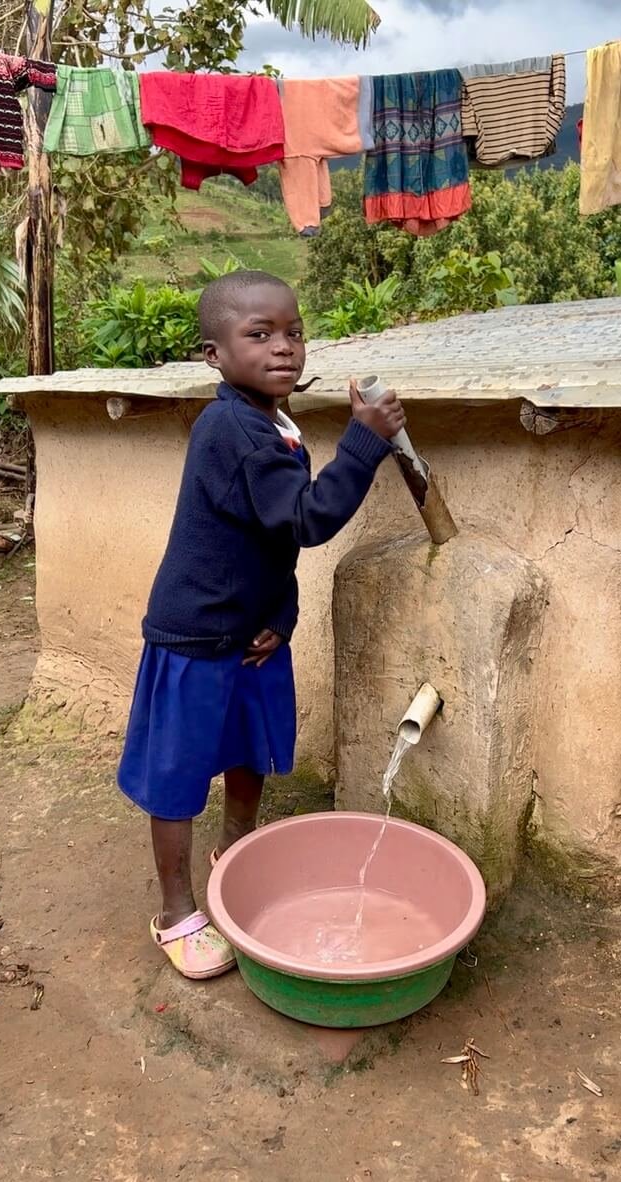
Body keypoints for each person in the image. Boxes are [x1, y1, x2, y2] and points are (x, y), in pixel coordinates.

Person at [118, 270, 406, 979]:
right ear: (213, 355)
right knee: (177, 776)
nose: (284, 347)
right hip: (194, 637)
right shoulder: (232, 430)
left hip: (250, 631)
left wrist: (281, 613)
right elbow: (304, 520)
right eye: (259, 335)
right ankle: (176, 910)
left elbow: (269, 542)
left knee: (249, 750)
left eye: (294, 332)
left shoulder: (272, 423)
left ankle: (236, 853)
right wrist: (364, 442)